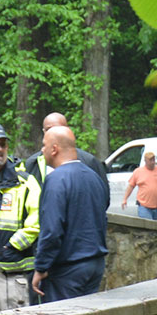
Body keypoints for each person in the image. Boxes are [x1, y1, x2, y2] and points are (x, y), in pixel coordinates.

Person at [32, 124, 109, 302]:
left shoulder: (56, 180)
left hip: (67, 270)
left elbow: (51, 230)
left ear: (54, 149)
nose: (41, 150)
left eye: (44, 145)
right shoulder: (94, 177)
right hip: (95, 265)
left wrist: (41, 268)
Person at [0, 124, 40, 311]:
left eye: (3, 144)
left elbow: (37, 221)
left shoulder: (24, 182)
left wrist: (11, 246)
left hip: (9, 271)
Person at [42, 110, 109, 187]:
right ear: (44, 131)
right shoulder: (33, 163)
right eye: (48, 129)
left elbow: (103, 194)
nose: (53, 132)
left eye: (58, 128)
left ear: (68, 129)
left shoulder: (89, 162)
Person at [121, 149, 157, 219]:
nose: (153, 162)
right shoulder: (138, 171)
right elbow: (131, 186)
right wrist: (125, 199)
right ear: (145, 161)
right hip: (144, 206)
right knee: (147, 227)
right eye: (150, 160)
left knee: (156, 228)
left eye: (154, 160)